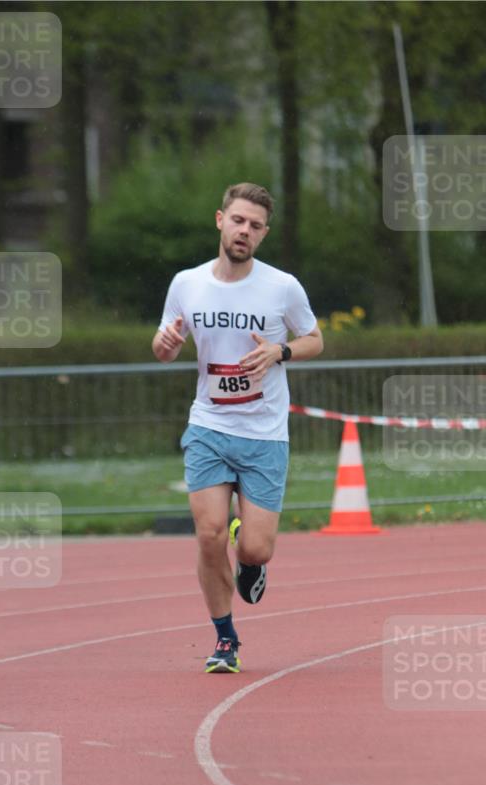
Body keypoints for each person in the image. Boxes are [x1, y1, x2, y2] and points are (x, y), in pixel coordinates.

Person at [153, 182, 323, 674]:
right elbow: (164, 345)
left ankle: (247, 552)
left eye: (255, 225)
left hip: (264, 433)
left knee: (255, 547)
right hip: (208, 426)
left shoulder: (282, 287)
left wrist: (280, 351)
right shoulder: (186, 283)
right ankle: (225, 639)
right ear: (220, 221)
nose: (245, 230)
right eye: (238, 220)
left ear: (264, 234)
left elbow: (315, 339)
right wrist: (165, 346)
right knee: (208, 536)